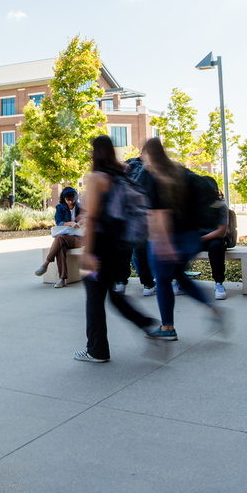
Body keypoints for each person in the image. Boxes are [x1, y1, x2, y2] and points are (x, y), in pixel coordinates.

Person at [75, 135, 157, 362]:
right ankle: (146, 323)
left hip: (99, 248)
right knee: (112, 294)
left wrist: (88, 253)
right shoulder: (121, 173)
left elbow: (91, 219)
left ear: (96, 152)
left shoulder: (96, 178)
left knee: (94, 299)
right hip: (119, 247)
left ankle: (97, 350)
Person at [139, 138, 221, 341]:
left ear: (148, 154)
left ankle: (167, 327)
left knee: (164, 280)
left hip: (168, 238)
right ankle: (211, 307)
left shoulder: (154, 176)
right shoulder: (179, 170)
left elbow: (159, 215)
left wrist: (164, 245)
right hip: (190, 237)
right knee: (179, 276)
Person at [119, 156, 155, 296]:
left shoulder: (128, 164)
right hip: (142, 216)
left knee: (124, 251)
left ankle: (121, 282)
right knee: (141, 251)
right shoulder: (149, 169)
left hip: (125, 215)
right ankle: (147, 285)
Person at [36, 186, 82, 288]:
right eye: (68, 200)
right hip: (66, 237)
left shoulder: (81, 207)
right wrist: (70, 223)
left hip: (79, 238)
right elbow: (59, 222)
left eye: (72, 199)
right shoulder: (60, 208)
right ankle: (62, 278)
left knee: (59, 239)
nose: (70, 202)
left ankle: (46, 264)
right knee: (60, 247)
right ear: (64, 199)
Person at [193, 190, 232, 300]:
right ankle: (179, 280)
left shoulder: (220, 205)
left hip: (216, 237)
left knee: (216, 247)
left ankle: (219, 283)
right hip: (199, 236)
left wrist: (203, 238)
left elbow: (222, 231)